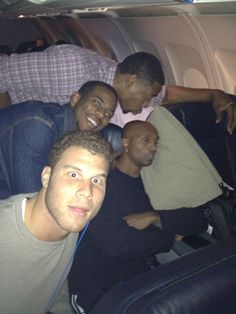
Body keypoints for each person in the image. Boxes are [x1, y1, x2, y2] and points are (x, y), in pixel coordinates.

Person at [68, 120, 209, 313]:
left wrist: (154, 217)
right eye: (146, 140)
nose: (153, 147)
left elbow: (198, 220)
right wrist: (170, 238)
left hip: (140, 275)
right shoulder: (104, 183)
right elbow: (116, 245)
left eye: (156, 142)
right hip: (97, 283)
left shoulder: (150, 181)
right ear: (125, 143)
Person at [0, 130, 113, 314]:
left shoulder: (71, 220)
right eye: (74, 175)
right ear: (46, 177)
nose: (87, 192)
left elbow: (55, 284)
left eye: (96, 180)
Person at [0, 45, 235, 132]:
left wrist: (216, 94)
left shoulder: (117, 83)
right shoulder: (73, 67)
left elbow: (168, 94)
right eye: (146, 98)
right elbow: (4, 72)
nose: (147, 104)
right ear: (131, 81)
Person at [0, 80, 118, 199]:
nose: (101, 114)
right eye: (97, 103)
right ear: (75, 99)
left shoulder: (76, 136)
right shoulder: (40, 125)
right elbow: (30, 199)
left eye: (108, 114)